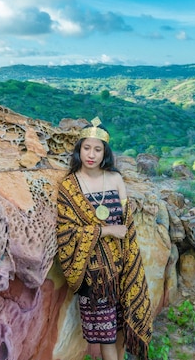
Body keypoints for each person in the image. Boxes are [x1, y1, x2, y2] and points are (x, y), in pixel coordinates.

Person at [56, 117, 152, 360]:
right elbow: (66, 233)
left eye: (97, 149)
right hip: (95, 275)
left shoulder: (115, 179)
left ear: (105, 153)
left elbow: (126, 226)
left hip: (122, 269)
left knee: (120, 330)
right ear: (79, 150)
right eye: (86, 148)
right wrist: (105, 230)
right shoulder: (69, 186)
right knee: (107, 338)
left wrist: (131, 267)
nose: (91, 154)